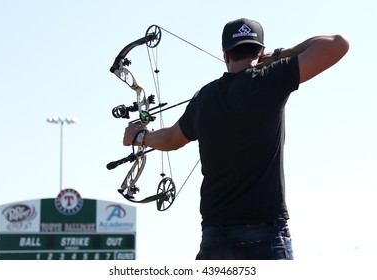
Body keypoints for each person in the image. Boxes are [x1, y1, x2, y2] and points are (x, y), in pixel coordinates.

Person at [123, 18, 349, 260]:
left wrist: (139, 136)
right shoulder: (270, 79)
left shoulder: (205, 98)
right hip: (266, 236)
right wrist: (282, 55)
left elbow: (170, 139)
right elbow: (338, 44)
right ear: (261, 51)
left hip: (216, 238)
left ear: (224, 54)